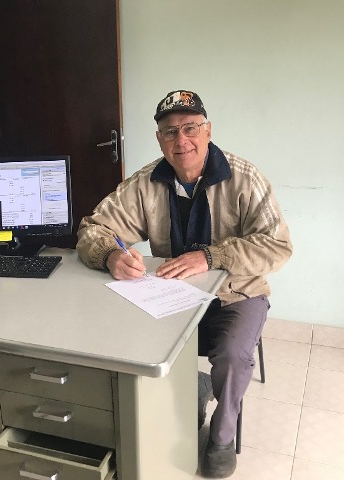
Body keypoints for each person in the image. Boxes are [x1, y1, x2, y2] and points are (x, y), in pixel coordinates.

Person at [76, 90, 292, 478]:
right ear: (159, 139)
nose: (182, 140)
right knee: (126, 337)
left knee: (231, 355)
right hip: (173, 296)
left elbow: (278, 247)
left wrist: (212, 256)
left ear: (208, 131)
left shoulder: (245, 178)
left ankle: (222, 435)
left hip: (237, 295)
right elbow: (94, 228)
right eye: (170, 131)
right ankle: (188, 391)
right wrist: (110, 255)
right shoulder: (146, 182)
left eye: (190, 128)